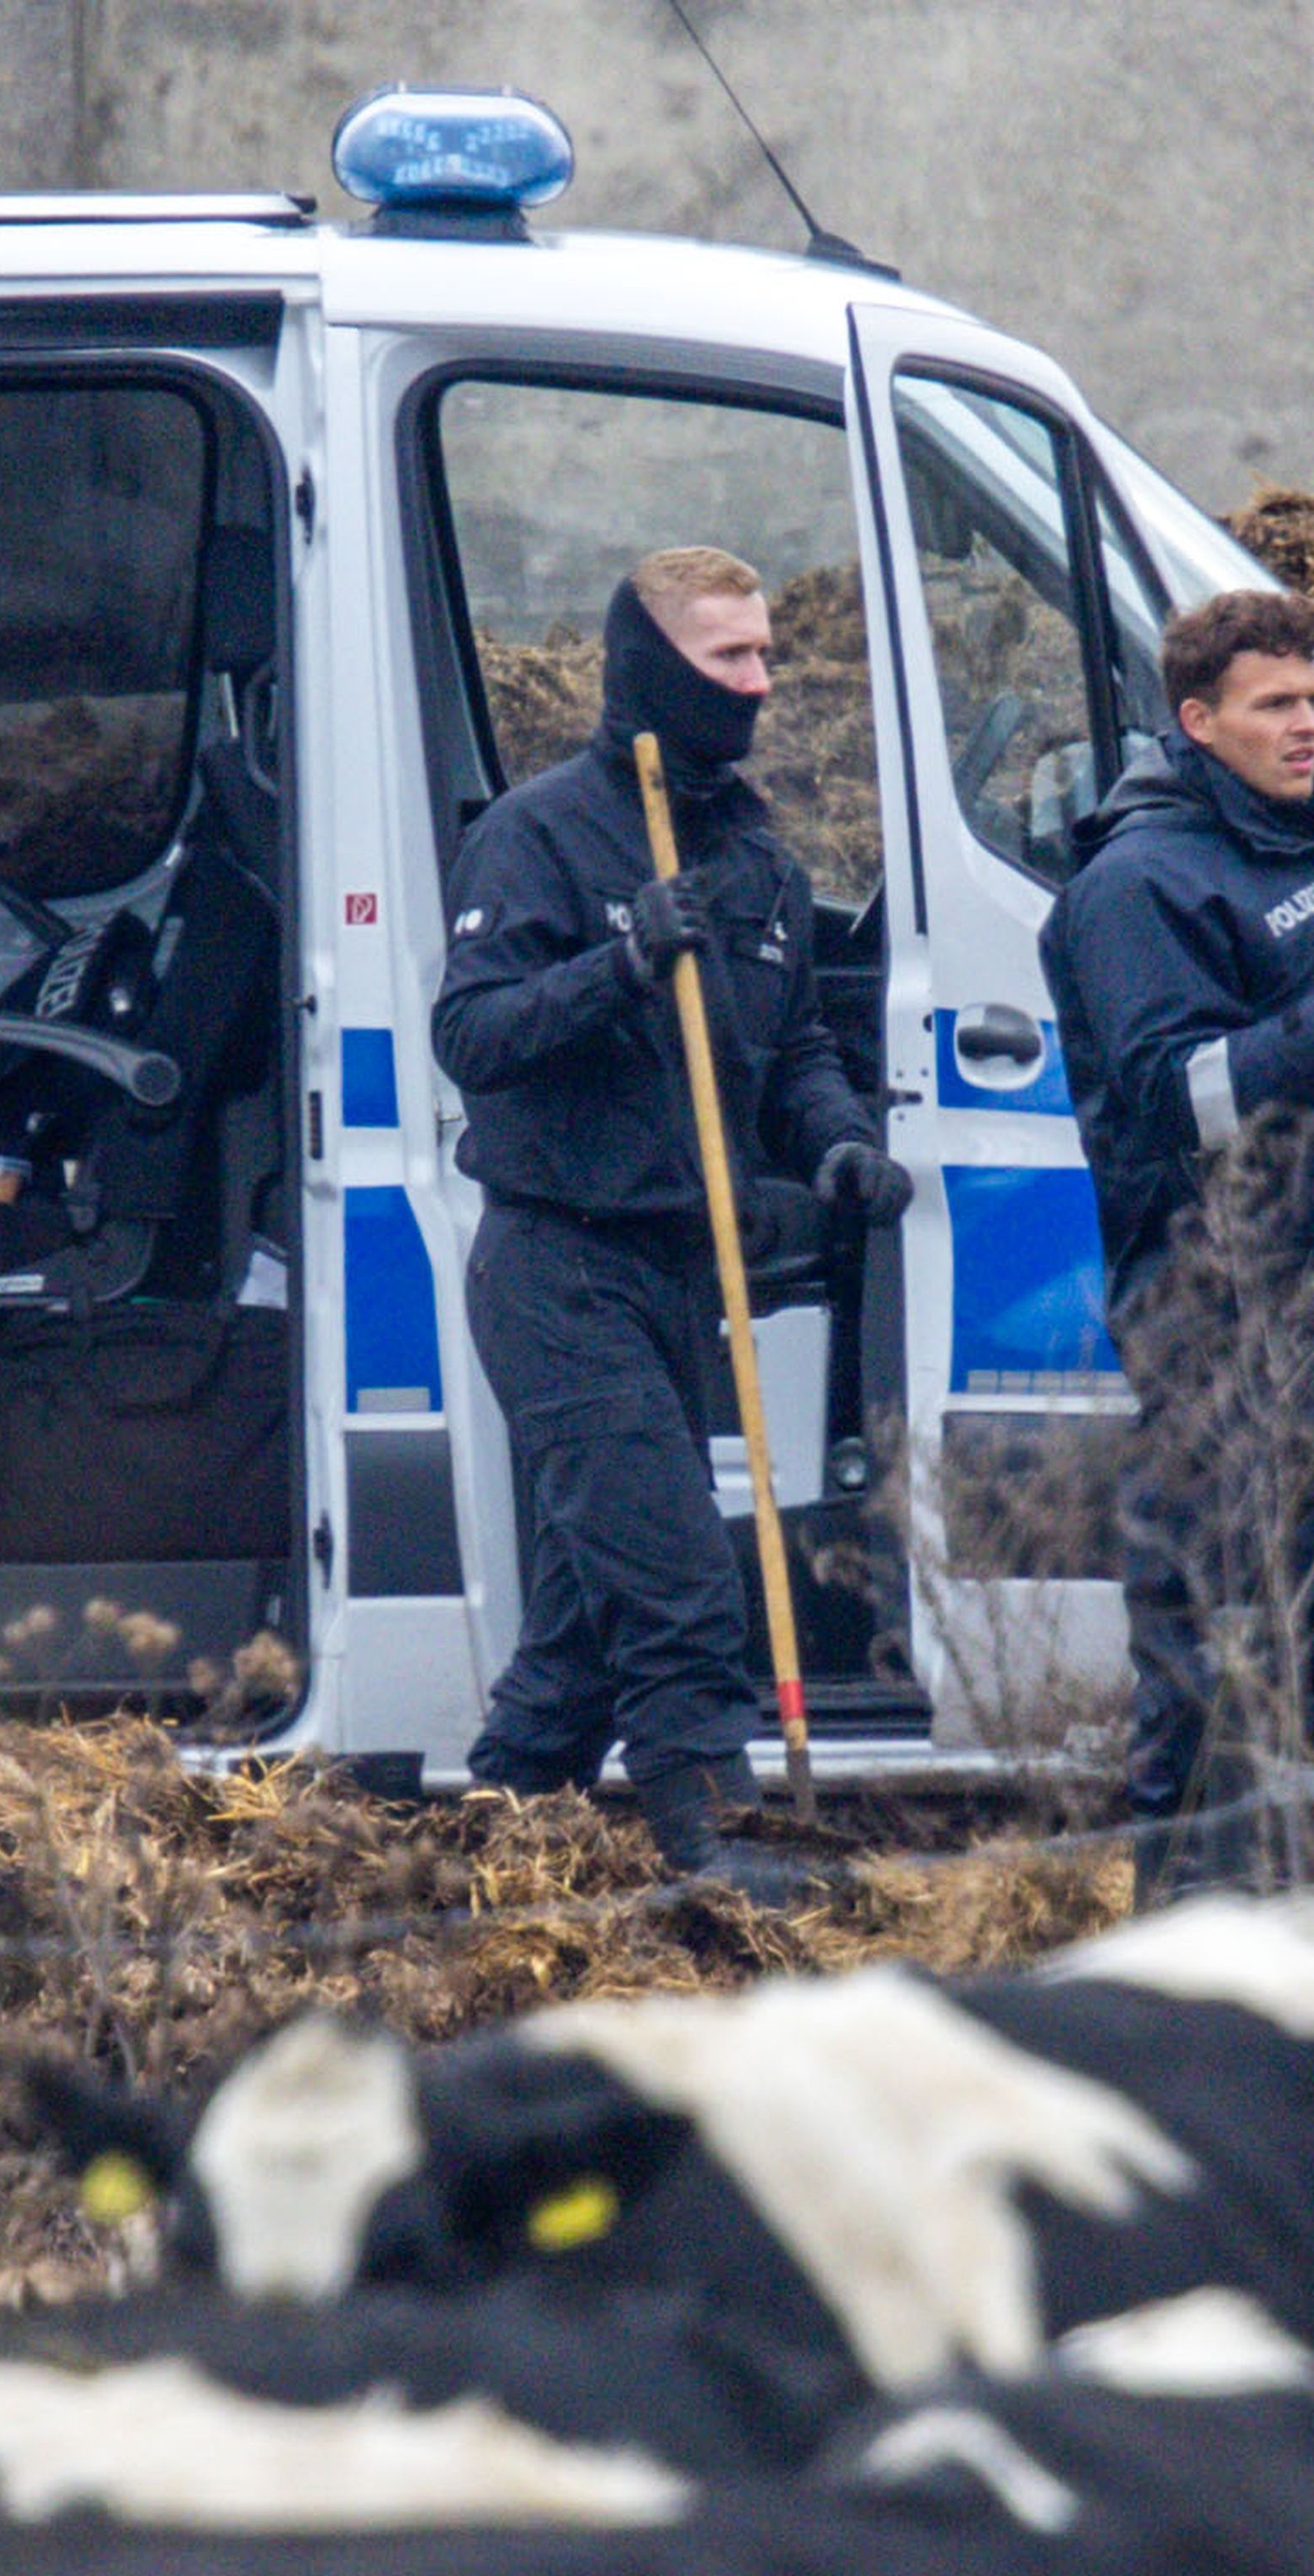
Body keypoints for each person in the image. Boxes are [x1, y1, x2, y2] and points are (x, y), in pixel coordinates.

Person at [433, 546, 894, 1883]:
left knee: (588, 1625)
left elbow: (794, 1049)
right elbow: (471, 1034)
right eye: (727, 658)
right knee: (677, 1583)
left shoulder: (757, 857)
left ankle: (481, 1865)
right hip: (556, 1265)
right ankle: (724, 1855)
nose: (758, 682)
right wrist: (622, 961)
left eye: (765, 655)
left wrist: (840, 1143)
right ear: (650, 664)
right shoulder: (537, 834)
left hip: (681, 1274)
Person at [1037, 587, 1314, 1904]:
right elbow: (1179, 1103)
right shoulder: (1134, 888)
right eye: (1276, 704)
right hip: (1219, 1319)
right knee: (1216, 1648)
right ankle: (1184, 1929)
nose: (1307, 724)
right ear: (1198, 721)